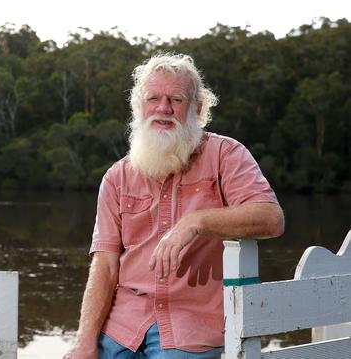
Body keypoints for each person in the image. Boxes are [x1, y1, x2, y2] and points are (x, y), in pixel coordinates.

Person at [64, 53, 284, 359]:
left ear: (197, 108)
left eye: (176, 100)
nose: (163, 109)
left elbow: (271, 218)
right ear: (139, 106)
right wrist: (85, 342)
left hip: (190, 327)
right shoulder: (117, 177)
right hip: (121, 327)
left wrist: (195, 222)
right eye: (153, 98)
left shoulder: (226, 155)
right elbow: (105, 264)